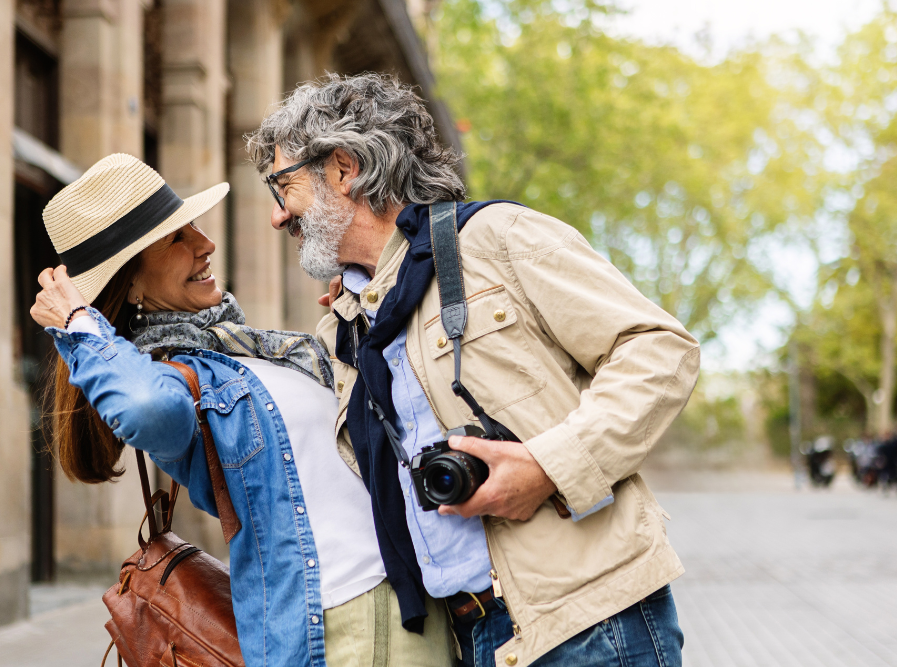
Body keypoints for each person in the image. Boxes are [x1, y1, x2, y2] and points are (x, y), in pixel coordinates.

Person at [247, 73, 700, 667]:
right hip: (473, 636)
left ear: (341, 168)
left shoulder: (494, 238)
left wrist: (547, 466)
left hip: (591, 623)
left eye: (283, 186)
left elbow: (659, 348)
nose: (278, 218)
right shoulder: (347, 322)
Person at [30, 154, 451, 667]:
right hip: (346, 625)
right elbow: (146, 409)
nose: (206, 244)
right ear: (132, 285)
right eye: (177, 239)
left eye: (195, 228)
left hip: (411, 597)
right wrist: (79, 324)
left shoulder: (248, 351)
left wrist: (359, 316)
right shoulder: (172, 378)